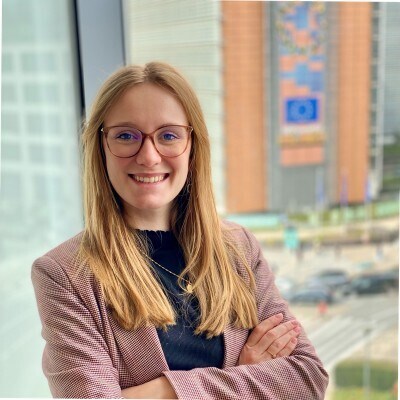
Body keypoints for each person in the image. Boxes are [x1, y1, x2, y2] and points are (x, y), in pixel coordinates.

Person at [32, 61, 328, 399]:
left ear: (192, 145)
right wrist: (243, 373)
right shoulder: (64, 275)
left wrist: (158, 392)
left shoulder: (239, 247)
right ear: (101, 146)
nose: (148, 156)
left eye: (168, 135)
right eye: (126, 136)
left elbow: (307, 378)